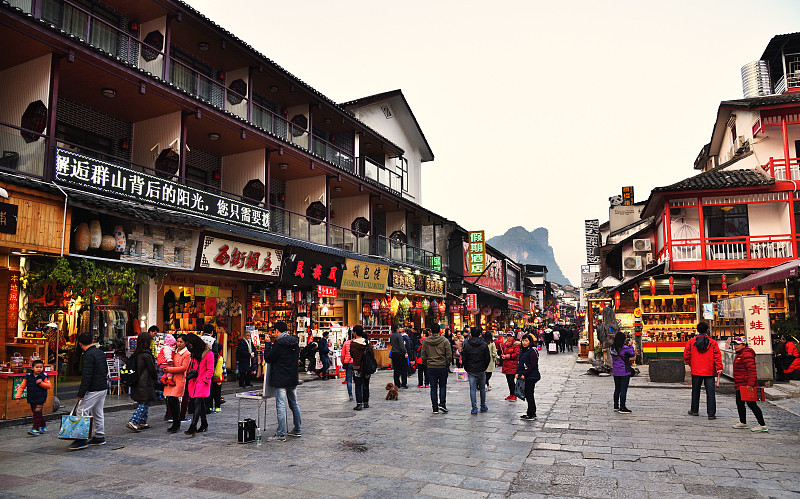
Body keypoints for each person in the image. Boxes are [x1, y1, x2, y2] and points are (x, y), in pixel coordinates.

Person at [69, 332, 108, 450]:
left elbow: (87, 376)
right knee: (98, 412)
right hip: (102, 386)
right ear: (92, 341)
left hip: (93, 388)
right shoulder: (100, 352)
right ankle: (99, 436)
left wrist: (81, 393)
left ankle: (81, 439)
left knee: (82, 411)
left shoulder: (87, 355)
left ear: (80, 344)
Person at [264, 321, 301, 441]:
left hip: (280, 378)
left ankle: (281, 434)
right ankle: (297, 429)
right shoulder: (295, 342)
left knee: (281, 405)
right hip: (292, 377)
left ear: (277, 331)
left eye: (274, 331)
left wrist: (268, 344)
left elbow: (268, 358)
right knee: (294, 404)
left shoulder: (278, 344)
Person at [683, 322, 722, 419]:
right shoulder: (713, 342)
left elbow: (686, 355)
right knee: (710, 392)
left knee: (695, 391)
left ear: (697, 330)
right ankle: (711, 413)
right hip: (709, 370)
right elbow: (717, 356)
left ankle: (694, 410)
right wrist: (719, 367)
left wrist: (692, 364)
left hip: (696, 370)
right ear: (707, 330)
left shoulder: (692, 342)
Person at [731, 337, 768, 432]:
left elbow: (752, 370)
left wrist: (751, 384)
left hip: (746, 384)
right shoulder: (740, 354)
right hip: (740, 384)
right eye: (734, 344)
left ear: (744, 345)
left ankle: (762, 424)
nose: (735, 346)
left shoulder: (747, 354)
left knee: (752, 404)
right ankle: (742, 422)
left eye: (737, 344)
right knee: (740, 403)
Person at [126, 332, 157, 432]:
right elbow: (152, 369)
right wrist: (155, 377)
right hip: (145, 381)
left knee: (144, 401)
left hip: (138, 380)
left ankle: (142, 421)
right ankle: (134, 421)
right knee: (144, 402)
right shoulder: (146, 355)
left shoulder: (136, 354)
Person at [185, 334, 214, 436]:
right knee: (200, 403)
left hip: (202, 382)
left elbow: (210, 370)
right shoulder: (194, 353)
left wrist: (203, 379)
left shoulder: (208, 354)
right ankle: (204, 423)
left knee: (197, 402)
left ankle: (193, 425)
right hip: (194, 381)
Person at [14, 359, 52, 435]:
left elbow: (49, 386)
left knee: (37, 413)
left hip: (40, 398)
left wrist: (41, 383)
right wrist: (18, 397)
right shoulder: (28, 377)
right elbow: (21, 387)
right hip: (31, 398)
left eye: (41, 367)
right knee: (37, 413)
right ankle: (43, 426)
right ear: (32, 368)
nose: (39, 369)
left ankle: (35, 429)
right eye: (37, 367)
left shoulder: (44, 376)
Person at [421, 323, 452, 414]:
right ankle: (442, 404)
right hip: (442, 366)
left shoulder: (426, 341)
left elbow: (423, 354)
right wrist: (447, 363)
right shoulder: (444, 341)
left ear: (430, 331)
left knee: (433, 388)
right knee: (442, 386)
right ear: (439, 331)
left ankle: (435, 408)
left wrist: (426, 363)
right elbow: (448, 354)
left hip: (431, 367)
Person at [164, 334, 191, 433]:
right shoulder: (173, 351)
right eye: (178, 341)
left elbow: (184, 368)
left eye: (181, 342)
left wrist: (170, 369)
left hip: (179, 379)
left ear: (186, 343)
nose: (179, 344)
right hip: (171, 378)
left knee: (174, 400)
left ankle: (176, 423)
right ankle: (175, 422)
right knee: (171, 401)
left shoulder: (187, 354)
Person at [462, 326, 491, 414]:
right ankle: (483, 405)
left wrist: (467, 368)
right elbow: (487, 358)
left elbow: (464, 358)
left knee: (472, 389)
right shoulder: (484, 345)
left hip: (471, 369)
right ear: (480, 334)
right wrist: (484, 367)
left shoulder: (467, 344)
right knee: (482, 388)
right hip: (481, 369)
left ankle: (474, 407)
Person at [516, 334, 540, 420]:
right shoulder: (523, 350)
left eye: (526, 341)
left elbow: (533, 365)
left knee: (529, 395)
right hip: (526, 376)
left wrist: (524, 374)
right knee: (527, 394)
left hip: (531, 376)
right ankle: (530, 412)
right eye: (523, 341)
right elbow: (521, 364)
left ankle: (532, 413)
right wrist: (518, 373)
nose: (524, 342)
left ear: (530, 342)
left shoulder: (532, 351)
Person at [610, 332, 635, 414]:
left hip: (616, 371)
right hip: (624, 371)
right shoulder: (624, 348)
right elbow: (632, 354)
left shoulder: (612, 348)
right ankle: (622, 407)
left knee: (617, 389)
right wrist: (631, 345)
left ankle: (616, 406)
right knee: (623, 390)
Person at [350, 325, 372, 410]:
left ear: (355, 333)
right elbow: (372, 354)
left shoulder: (353, 344)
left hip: (357, 366)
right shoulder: (367, 342)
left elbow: (352, 355)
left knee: (358, 385)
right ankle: (366, 402)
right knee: (366, 384)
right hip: (367, 367)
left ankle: (359, 404)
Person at [501, 331, 520, 401]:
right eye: (508, 336)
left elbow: (516, 354)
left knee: (511, 380)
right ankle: (511, 394)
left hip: (512, 365)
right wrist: (502, 356)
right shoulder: (505, 344)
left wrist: (506, 356)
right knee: (508, 381)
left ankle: (514, 395)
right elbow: (502, 352)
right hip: (506, 365)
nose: (508, 338)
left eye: (510, 336)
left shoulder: (515, 345)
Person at [341, 332, 354, 400]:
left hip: (348, 362)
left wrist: (343, 361)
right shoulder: (356, 342)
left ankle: (350, 395)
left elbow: (343, 354)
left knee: (349, 380)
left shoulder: (346, 343)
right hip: (356, 362)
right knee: (358, 381)